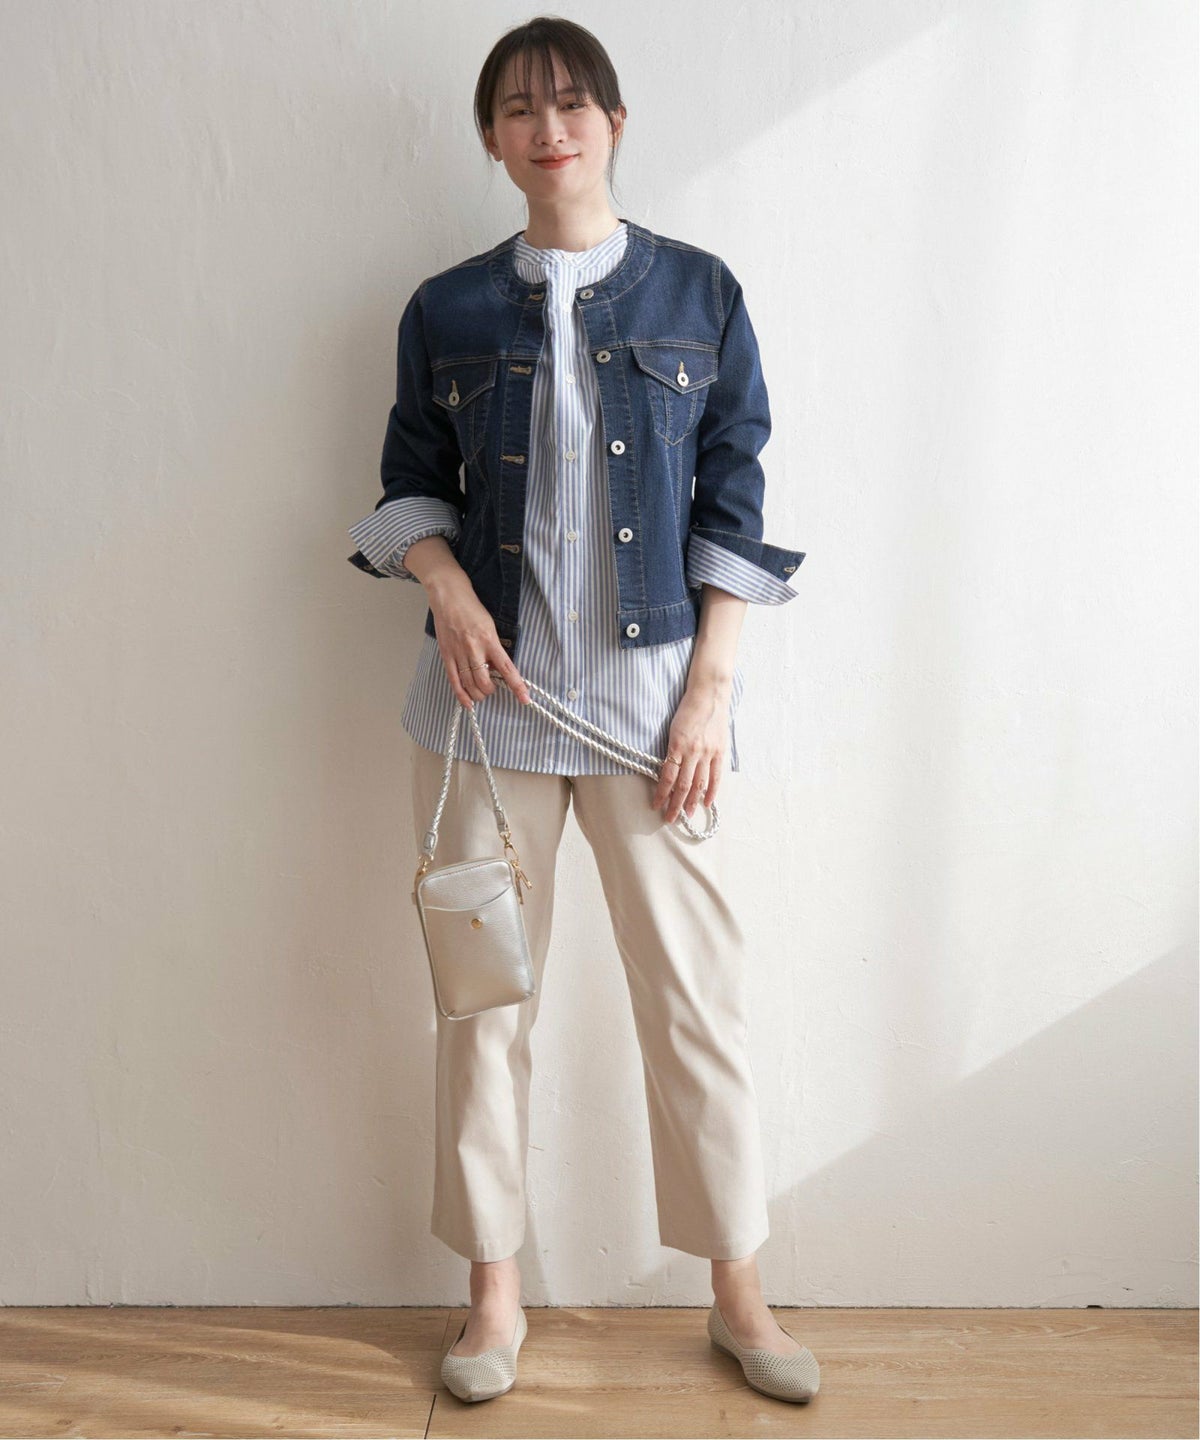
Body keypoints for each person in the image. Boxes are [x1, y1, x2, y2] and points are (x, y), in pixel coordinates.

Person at [347, 16, 820, 1407]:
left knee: (696, 1003)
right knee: (484, 1007)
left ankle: (739, 1292)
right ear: (492, 139)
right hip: (484, 719)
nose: (546, 126)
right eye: (517, 107)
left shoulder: (698, 293)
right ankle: (493, 1295)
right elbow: (408, 484)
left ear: (614, 121)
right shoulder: (446, 309)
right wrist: (445, 586)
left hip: (650, 720)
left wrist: (710, 697)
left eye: (570, 101)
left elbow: (735, 496)